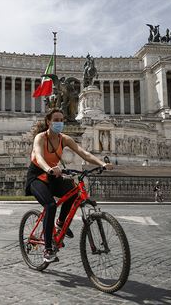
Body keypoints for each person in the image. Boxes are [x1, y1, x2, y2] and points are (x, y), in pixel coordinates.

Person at [25, 109, 113, 263]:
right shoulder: (40, 137)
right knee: (50, 205)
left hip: (53, 175)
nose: (59, 122)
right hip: (37, 176)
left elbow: (83, 153)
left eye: (61, 119)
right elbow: (38, 156)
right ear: (48, 122)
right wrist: (49, 169)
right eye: (56, 119)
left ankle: (60, 223)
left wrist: (102, 164)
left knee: (74, 190)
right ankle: (47, 249)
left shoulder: (64, 138)